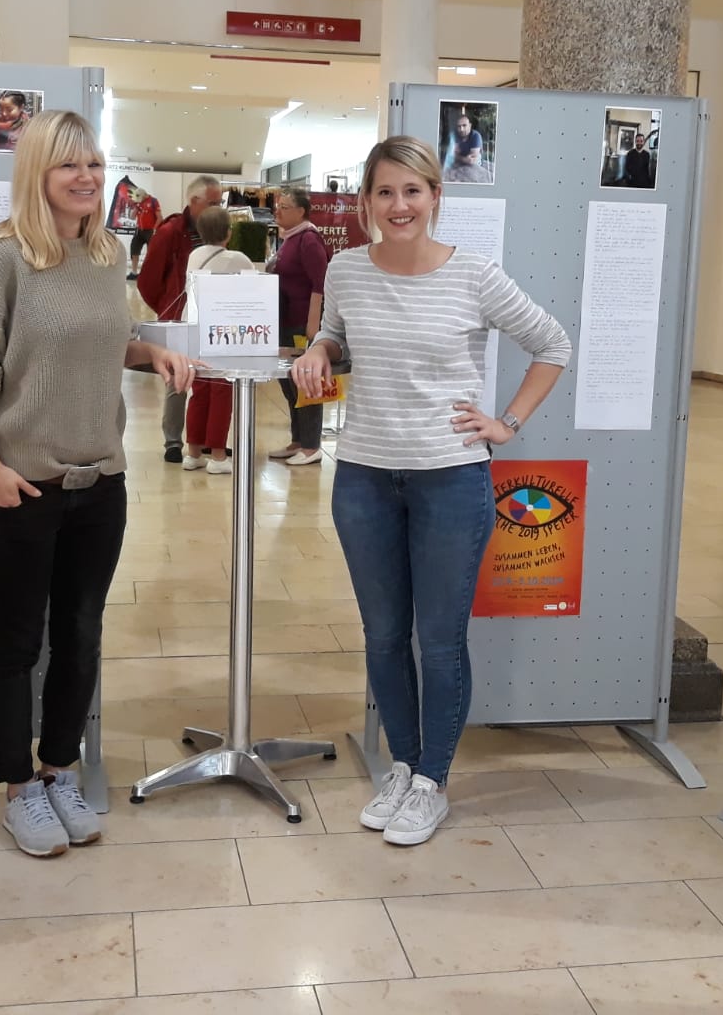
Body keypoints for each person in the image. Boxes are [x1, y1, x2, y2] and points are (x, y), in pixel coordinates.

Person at [0, 109, 198, 858]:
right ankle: (19, 791)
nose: (86, 177)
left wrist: (150, 353)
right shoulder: (2, 256)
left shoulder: (108, 254)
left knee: (81, 636)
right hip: (21, 486)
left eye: (95, 164)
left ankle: (60, 772)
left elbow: (102, 341)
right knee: (17, 643)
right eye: (69, 164)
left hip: (98, 484)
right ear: (36, 171)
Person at [291, 135, 570, 846]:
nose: (399, 205)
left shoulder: (474, 275)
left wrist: (506, 423)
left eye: (412, 191)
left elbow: (553, 344)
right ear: (366, 201)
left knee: (439, 642)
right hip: (363, 478)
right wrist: (319, 349)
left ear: (436, 197)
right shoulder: (347, 269)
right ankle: (403, 765)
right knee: (384, 636)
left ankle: (432, 782)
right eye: (385, 192)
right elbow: (335, 334)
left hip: (450, 480)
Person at [137, 174, 220, 462]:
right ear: (194, 201)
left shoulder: (217, 230)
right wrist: (166, 309)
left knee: (210, 379)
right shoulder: (171, 231)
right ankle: (173, 442)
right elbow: (147, 281)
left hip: (210, 317)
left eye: (219, 203)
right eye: (213, 203)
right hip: (177, 318)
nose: (218, 208)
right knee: (177, 379)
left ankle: (205, 441)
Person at [182, 206, 253, 475]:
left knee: (199, 390)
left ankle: (193, 453)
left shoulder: (194, 255)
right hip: (223, 331)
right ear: (228, 232)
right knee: (221, 391)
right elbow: (253, 287)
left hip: (194, 328)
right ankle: (218, 456)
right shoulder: (238, 258)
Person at [268, 186, 329, 466]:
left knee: (305, 383)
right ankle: (298, 440)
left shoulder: (308, 240)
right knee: (289, 383)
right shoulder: (289, 238)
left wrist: (312, 327)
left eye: (285, 207)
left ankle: (311, 445)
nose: (278, 211)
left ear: (301, 211)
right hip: (285, 321)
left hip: (302, 325)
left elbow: (321, 283)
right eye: (278, 206)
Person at [442, 111, 489, 183]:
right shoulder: (454, 135)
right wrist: (463, 159)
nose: (461, 129)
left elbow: (472, 160)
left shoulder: (476, 136)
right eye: (459, 126)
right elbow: (451, 155)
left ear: (470, 125)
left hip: (475, 166)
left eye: (464, 125)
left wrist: (457, 156)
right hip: (459, 165)